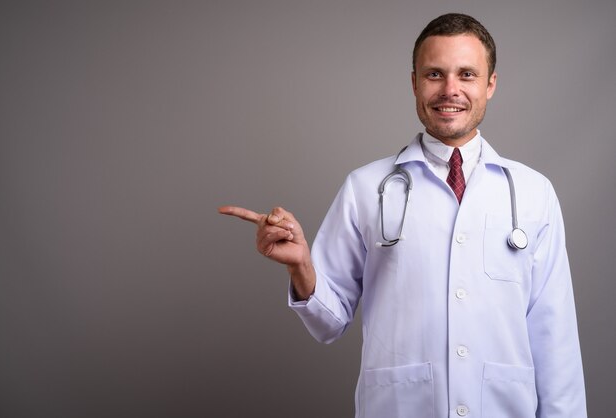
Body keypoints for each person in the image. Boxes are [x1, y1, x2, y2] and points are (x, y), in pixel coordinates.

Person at [219, 13, 586, 418]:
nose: (450, 90)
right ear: (414, 82)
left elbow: (556, 340)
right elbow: (328, 323)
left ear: (490, 84)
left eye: (466, 74)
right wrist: (302, 267)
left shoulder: (534, 193)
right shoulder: (365, 187)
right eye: (434, 74)